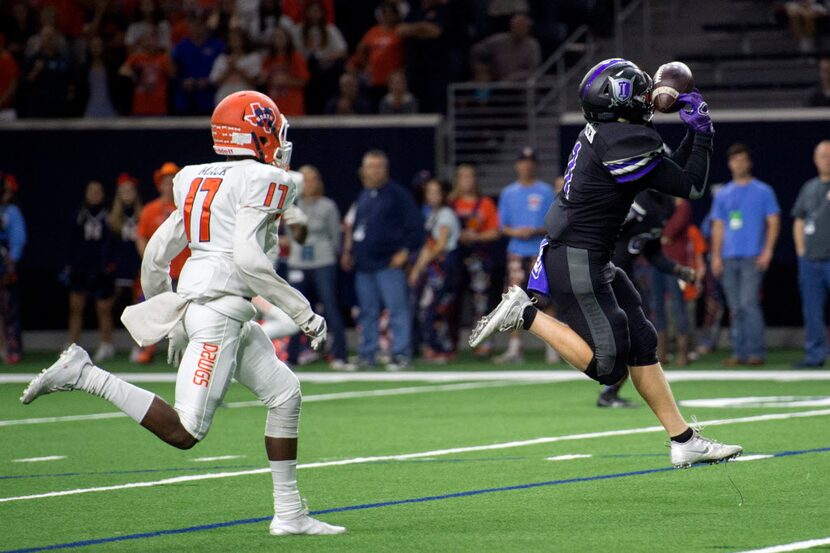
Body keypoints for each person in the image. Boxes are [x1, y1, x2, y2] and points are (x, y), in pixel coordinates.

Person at [21, 90, 345, 537]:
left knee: (285, 394)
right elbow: (251, 261)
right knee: (185, 431)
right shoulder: (265, 179)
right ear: (255, 134)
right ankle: (85, 374)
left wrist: (172, 315)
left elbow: (156, 254)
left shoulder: (195, 176)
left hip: (216, 309)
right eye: (272, 130)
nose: (280, 140)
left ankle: (289, 514)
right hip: (219, 314)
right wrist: (304, 312)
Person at [469, 58, 742, 468]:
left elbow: (668, 173)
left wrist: (692, 131)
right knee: (607, 366)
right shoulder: (622, 141)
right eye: (640, 89)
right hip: (578, 259)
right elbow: (692, 185)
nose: (648, 94)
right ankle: (525, 314)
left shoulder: (612, 134)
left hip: (587, 257)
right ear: (619, 100)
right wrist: (702, 133)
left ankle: (683, 440)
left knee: (643, 342)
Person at [598, 190, 696, 408]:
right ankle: (609, 388)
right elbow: (603, 230)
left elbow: (652, 250)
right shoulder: (637, 200)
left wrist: (676, 269)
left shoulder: (667, 205)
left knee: (640, 337)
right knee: (632, 337)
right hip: (606, 273)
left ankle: (611, 391)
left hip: (624, 276)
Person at [340, 150, 424, 370]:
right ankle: (367, 354)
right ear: (363, 170)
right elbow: (357, 228)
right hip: (365, 265)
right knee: (367, 312)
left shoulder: (398, 195)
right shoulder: (364, 195)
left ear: (386, 170)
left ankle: (401, 354)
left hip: (388, 263)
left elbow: (416, 228)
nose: (374, 171)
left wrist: (405, 252)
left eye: (379, 167)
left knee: (397, 310)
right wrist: (349, 252)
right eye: (371, 166)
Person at [710, 143, 780, 366]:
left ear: (749, 163)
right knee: (736, 307)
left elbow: (773, 222)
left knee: (749, 303)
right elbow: (718, 226)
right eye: (735, 160)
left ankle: (755, 352)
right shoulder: (723, 194)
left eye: (743, 160)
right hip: (729, 257)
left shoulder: (763, 191)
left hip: (752, 256)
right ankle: (739, 352)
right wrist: (716, 256)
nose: (739, 164)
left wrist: (767, 250)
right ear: (730, 164)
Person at [286, 165, 352, 370]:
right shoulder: (291, 204)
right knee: (295, 309)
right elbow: (290, 236)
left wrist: (330, 255)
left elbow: (335, 236)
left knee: (330, 307)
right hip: (298, 262)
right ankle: (292, 357)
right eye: (304, 179)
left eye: (313, 179)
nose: (309, 183)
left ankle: (340, 355)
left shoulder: (328, 206)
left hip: (323, 262)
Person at [495, 146, 554, 363]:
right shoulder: (509, 192)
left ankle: (552, 347)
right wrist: (517, 232)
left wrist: (536, 230)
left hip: (539, 251)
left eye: (530, 161)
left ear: (535, 165)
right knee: (513, 300)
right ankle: (515, 348)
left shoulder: (546, 191)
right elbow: (503, 226)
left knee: (545, 298)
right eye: (523, 161)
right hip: (517, 252)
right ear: (517, 165)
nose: (527, 165)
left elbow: (552, 223)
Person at [450, 164, 500, 356]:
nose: (466, 180)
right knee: (450, 300)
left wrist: (475, 237)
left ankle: (484, 343)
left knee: (481, 302)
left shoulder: (485, 203)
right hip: (454, 259)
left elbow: (495, 232)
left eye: (470, 176)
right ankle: (448, 345)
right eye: (462, 176)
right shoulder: (450, 203)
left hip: (478, 259)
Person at [410, 178, 461, 362]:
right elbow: (428, 245)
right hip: (435, 268)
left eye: (436, 192)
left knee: (440, 307)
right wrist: (417, 269)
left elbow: (441, 244)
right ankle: (433, 347)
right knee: (428, 307)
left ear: (443, 195)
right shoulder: (432, 214)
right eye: (429, 192)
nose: (432, 196)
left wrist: (424, 263)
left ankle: (444, 349)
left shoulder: (446, 214)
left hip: (446, 266)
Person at [65, 180, 116, 362]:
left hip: (102, 269)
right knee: (76, 307)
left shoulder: (109, 216)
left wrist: (109, 264)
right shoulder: (79, 215)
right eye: (91, 191)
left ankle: (106, 344)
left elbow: (113, 242)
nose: (94, 194)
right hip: (81, 268)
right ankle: (72, 345)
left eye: (98, 191)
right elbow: (71, 241)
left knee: (103, 308)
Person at [792, 140, 830, 368]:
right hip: (811, 260)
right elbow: (799, 219)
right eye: (823, 156)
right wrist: (801, 251)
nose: (827, 160)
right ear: (816, 160)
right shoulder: (809, 187)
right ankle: (815, 354)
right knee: (812, 310)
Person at [652, 198, 692, 366]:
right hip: (655, 262)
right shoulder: (658, 203)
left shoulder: (682, 205)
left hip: (675, 263)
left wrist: (658, 233)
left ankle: (683, 352)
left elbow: (669, 232)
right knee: (656, 307)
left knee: (678, 306)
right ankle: (661, 353)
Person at [348, 0, 405, 105]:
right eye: (385, 13)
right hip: (375, 78)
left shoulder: (400, 31)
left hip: (393, 79)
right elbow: (361, 48)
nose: (388, 16)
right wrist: (366, 65)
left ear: (396, 15)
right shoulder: (373, 31)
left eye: (391, 13)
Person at [109, 173, 143, 338]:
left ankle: (139, 344)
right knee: (106, 305)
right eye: (123, 190)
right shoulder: (112, 219)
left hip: (138, 264)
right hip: (120, 265)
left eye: (130, 190)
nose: (127, 194)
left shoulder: (143, 214)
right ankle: (106, 343)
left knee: (138, 306)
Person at [171, 17, 224, 115]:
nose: (197, 28)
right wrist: (182, 81)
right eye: (194, 25)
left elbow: (224, 66)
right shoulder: (181, 46)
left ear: (205, 26)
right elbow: (172, 69)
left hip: (209, 96)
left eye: (200, 25)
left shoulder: (217, 46)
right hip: (185, 96)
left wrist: (210, 81)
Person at [470, 13, 541, 81]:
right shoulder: (499, 40)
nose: (520, 29)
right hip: (496, 79)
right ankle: (481, 92)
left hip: (520, 83)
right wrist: (485, 66)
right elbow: (477, 49)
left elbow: (533, 70)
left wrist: (513, 77)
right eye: (517, 26)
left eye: (523, 27)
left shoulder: (532, 45)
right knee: (481, 71)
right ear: (511, 27)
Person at [0, 173, 25, 363]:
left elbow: (19, 239)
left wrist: (11, 263)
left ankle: (12, 347)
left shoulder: (11, 212)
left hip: (5, 265)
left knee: (9, 309)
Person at [119, 29, 172, 116]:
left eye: (153, 39)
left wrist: (169, 53)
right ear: (143, 42)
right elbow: (122, 70)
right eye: (147, 39)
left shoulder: (163, 59)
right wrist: (135, 75)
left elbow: (172, 74)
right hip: (140, 108)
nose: (150, 42)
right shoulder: (136, 57)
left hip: (159, 109)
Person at [261, 26, 310, 116]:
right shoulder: (268, 59)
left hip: (293, 106)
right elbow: (262, 80)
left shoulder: (296, 58)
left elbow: (304, 81)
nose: (278, 40)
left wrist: (286, 81)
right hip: (273, 106)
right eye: (275, 37)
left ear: (288, 39)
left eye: (281, 37)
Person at [209, 29, 262, 106]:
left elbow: (255, 82)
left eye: (238, 39)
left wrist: (237, 68)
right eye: (232, 39)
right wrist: (229, 69)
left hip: (247, 99)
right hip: (224, 98)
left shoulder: (253, 58)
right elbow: (215, 82)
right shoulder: (222, 59)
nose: (235, 42)